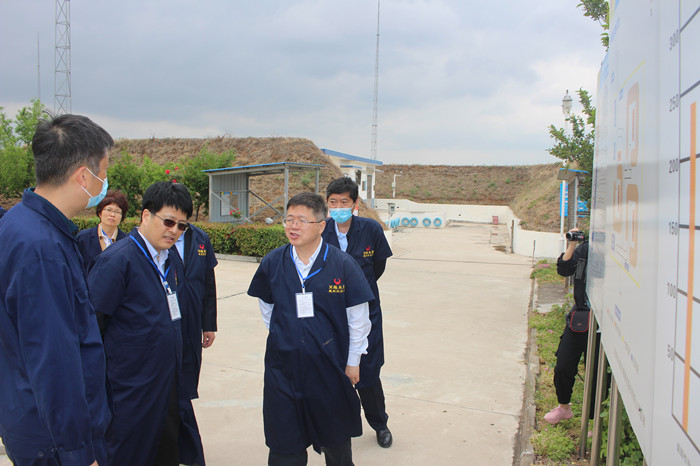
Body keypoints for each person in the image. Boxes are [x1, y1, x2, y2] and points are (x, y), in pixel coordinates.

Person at [0, 114, 113, 465]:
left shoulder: (19, 222)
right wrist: (78, 453)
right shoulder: (42, 249)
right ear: (84, 176)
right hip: (52, 440)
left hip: (26, 412)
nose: (105, 182)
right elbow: (54, 362)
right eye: (104, 171)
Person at [248, 192, 374, 466]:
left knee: (335, 439)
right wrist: (288, 336)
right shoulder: (273, 262)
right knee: (284, 443)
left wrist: (353, 361)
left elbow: (358, 318)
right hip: (283, 368)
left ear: (321, 226)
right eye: (289, 219)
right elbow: (267, 307)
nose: (293, 226)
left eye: (302, 220)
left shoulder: (343, 264)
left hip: (329, 367)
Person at [87, 181, 205, 465]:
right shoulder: (117, 261)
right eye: (168, 222)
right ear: (145, 215)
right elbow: (91, 330)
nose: (174, 231)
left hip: (167, 384)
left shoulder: (170, 259)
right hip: (130, 391)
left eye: (182, 226)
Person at [321, 176, 394, 448]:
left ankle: (380, 424)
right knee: (330, 373)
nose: (338, 207)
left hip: (367, 313)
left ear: (355, 204)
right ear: (327, 204)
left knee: (368, 372)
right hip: (330, 314)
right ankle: (332, 427)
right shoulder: (320, 230)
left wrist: (359, 292)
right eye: (333, 202)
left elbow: (378, 267)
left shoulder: (371, 229)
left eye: (344, 202)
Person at [544, 228, 592, 424]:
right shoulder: (586, 249)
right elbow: (564, 269)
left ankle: (593, 419)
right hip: (580, 317)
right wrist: (572, 244)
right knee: (563, 366)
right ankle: (564, 407)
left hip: (604, 323)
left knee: (596, 373)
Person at [171, 222, 218, 400]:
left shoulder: (200, 238)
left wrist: (209, 325)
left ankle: (185, 403)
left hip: (193, 314)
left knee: (190, 365)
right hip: (167, 317)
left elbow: (209, 284)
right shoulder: (160, 236)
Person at [76, 190, 129, 270]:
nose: (112, 214)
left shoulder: (126, 241)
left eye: (117, 212)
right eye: (109, 210)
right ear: (100, 213)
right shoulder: (83, 237)